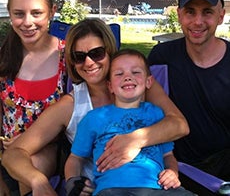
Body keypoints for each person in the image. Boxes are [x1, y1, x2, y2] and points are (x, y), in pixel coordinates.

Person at [2, 18, 189, 196]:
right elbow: (14, 153)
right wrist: (39, 181)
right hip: (106, 189)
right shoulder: (71, 105)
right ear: (73, 63)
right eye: (79, 57)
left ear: (109, 51)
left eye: (96, 53)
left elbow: (179, 125)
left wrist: (134, 140)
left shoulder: (137, 85)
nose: (89, 62)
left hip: (153, 185)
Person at [64, 48, 194, 196]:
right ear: (110, 86)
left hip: (158, 188)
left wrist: (172, 171)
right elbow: (75, 158)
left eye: (136, 72)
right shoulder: (94, 118)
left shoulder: (157, 114)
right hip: (112, 190)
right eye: (119, 74)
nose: (127, 77)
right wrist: (72, 180)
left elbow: (167, 155)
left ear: (148, 81)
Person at [147, 0, 230, 195]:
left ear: (221, 16)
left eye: (207, 12)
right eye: (190, 11)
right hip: (173, 170)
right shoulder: (161, 57)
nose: (198, 21)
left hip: (223, 173)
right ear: (179, 15)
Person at [0, 0, 66, 195]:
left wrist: (30, 140)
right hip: (7, 152)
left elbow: (82, 112)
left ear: (52, 12)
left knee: (32, 165)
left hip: (52, 149)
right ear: (10, 14)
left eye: (36, 13)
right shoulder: (4, 58)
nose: (27, 22)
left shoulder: (68, 57)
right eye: (19, 14)